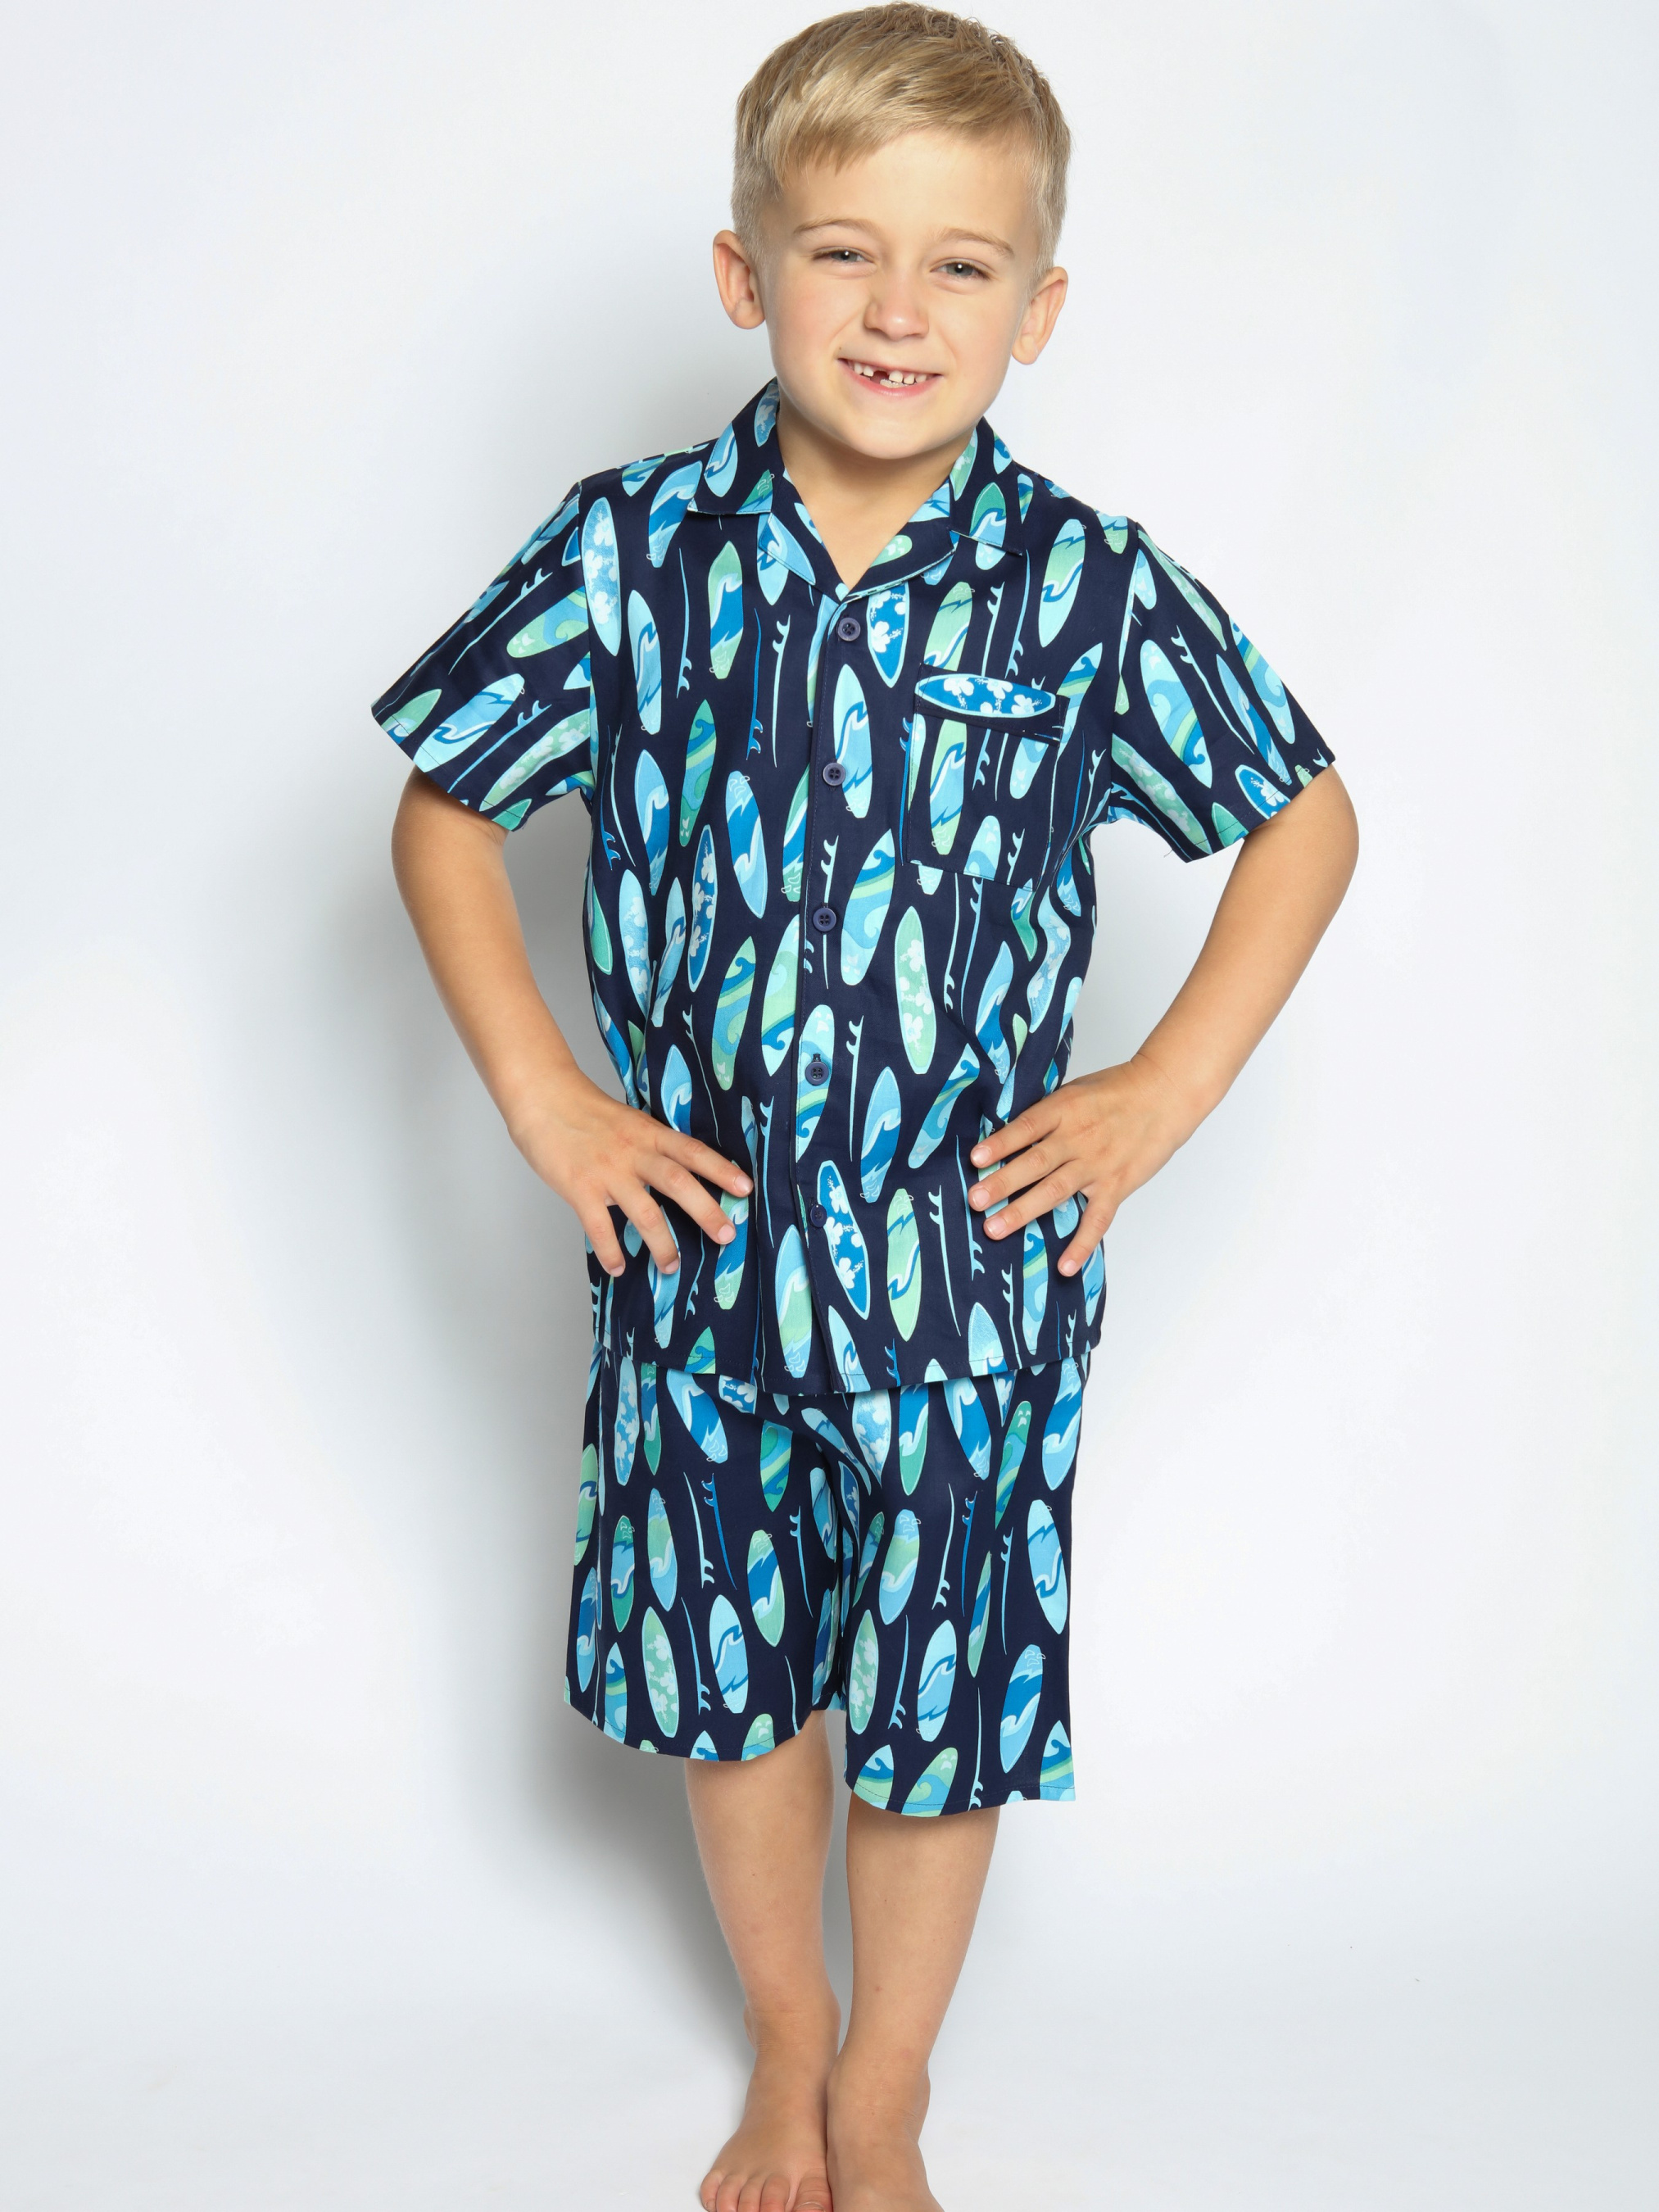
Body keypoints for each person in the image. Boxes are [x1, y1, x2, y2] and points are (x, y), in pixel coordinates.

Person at [375, 7, 1359, 2206]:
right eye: (843, 252)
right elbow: (445, 814)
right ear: (746, 274)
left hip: (969, 1278)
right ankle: (785, 2037)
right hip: (702, 1266)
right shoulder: (629, 554)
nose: (898, 308)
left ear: (1039, 306)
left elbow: (1301, 819)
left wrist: (1163, 1087)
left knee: (937, 1698)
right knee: (731, 1681)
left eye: (959, 264)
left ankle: (889, 2078)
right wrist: (546, 1099)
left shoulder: (1087, 587)